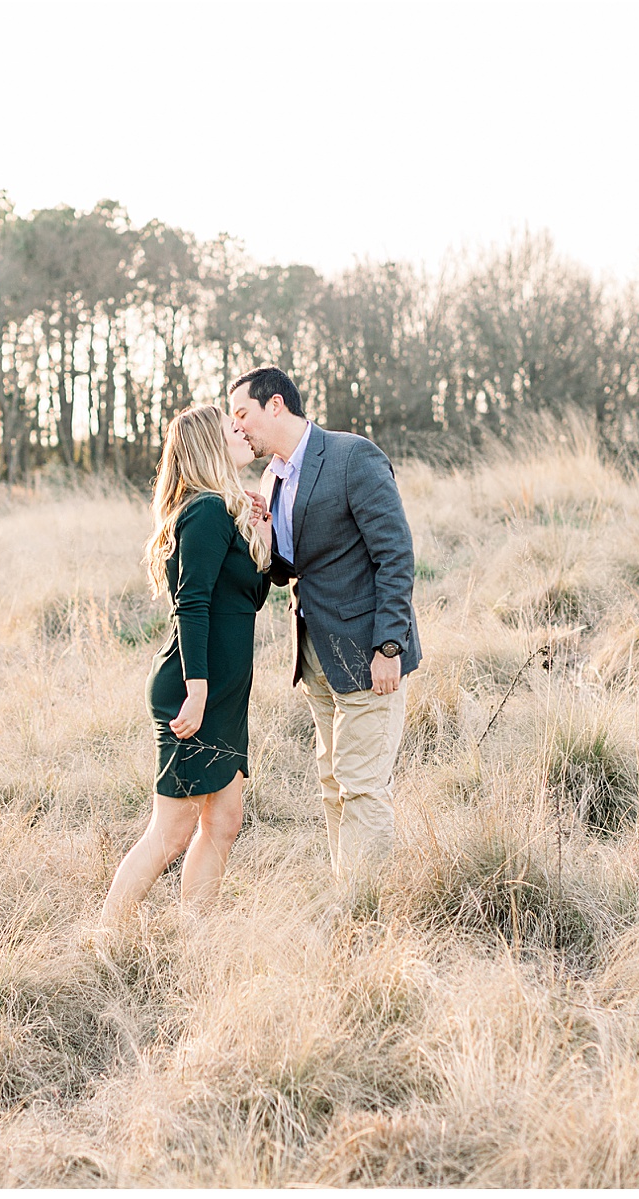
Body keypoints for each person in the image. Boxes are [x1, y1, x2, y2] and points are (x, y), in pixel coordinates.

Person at [228, 365, 421, 893]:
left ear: (275, 405)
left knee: (363, 787)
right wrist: (266, 536)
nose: (238, 427)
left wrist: (389, 645)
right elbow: (293, 569)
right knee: (334, 784)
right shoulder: (272, 479)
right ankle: (347, 892)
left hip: (366, 651)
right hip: (314, 654)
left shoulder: (351, 456)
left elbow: (396, 556)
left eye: (242, 413)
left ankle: (369, 909)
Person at [98, 404, 273, 924]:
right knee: (170, 831)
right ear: (208, 446)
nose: (242, 431)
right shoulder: (203, 511)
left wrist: (260, 531)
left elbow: (249, 599)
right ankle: (105, 934)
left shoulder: (227, 510)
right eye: (231, 428)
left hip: (222, 692)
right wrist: (196, 690)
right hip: (192, 688)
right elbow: (191, 604)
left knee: (224, 823)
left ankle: (196, 936)